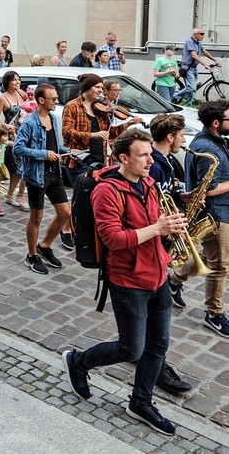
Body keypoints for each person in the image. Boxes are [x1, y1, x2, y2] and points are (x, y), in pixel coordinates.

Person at [61, 128, 183, 437]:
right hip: (128, 280)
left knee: (159, 345)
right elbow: (113, 239)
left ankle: (140, 402)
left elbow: (154, 227)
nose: (150, 159)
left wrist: (169, 231)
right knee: (131, 349)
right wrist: (157, 228)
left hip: (158, 274)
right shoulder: (107, 191)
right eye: (143, 155)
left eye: (149, 154)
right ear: (123, 158)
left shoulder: (149, 183)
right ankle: (78, 361)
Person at [143, 114, 195, 394]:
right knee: (154, 309)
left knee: (154, 308)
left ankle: (148, 353)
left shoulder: (167, 162)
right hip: (153, 244)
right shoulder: (153, 164)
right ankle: (153, 360)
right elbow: (149, 204)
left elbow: (166, 194)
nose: (185, 140)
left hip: (161, 242)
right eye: (182, 134)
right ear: (171, 136)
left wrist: (182, 197)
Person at [169, 100, 229, 336]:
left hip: (223, 210)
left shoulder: (217, 140)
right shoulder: (208, 149)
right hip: (215, 214)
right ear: (216, 123)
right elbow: (209, 188)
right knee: (220, 266)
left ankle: (174, 282)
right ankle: (213, 314)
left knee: (210, 256)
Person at [13, 84, 71, 274]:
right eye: (53, 99)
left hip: (55, 174)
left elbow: (54, 145)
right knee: (36, 217)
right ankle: (31, 255)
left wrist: (67, 152)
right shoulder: (30, 123)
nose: (56, 101)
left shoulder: (53, 118)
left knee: (65, 213)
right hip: (37, 176)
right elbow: (18, 148)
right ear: (41, 100)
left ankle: (44, 246)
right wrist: (44, 154)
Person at [62, 73, 142, 186]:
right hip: (80, 161)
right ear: (87, 88)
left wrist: (128, 124)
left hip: (101, 161)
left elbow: (108, 133)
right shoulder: (72, 106)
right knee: (84, 197)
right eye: (97, 87)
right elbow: (67, 133)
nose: (101, 91)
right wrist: (93, 135)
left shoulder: (100, 108)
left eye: (101, 87)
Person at [0, 70, 28, 211]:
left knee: (22, 168)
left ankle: (12, 195)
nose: (17, 82)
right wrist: (5, 126)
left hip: (24, 133)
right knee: (14, 167)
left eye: (19, 79)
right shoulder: (2, 98)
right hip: (11, 136)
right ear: (7, 82)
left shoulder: (21, 94)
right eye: (14, 80)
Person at [174, 28, 219, 106]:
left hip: (194, 68)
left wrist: (215, 60)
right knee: (191, 87)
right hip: (187, 68)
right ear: (195, 34)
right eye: (201, 34)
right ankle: (175, 97)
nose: (203, 36)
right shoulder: (189, 42)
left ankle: (189, 105)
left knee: (193, 89)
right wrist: (205, 64)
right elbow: (194, 55)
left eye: (203, 34)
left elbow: (205, 52)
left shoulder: (198, 43)